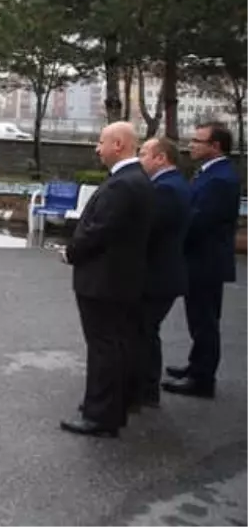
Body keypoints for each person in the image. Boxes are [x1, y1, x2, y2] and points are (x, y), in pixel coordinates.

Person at [60, 121, 153, 439]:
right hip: (119, 280)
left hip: (105, 281)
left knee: (104, 349)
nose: (96, 149)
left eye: (101, 142)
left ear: (118, 145)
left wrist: (70, 253)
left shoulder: (123, 184)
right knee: (117, 345)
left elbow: (99, 230)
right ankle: (112, 405)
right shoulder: (135, 179)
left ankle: (100, 416)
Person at [164, 121, 242, 399]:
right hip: (200, 259)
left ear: (215, 146)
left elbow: (200, 221)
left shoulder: (220, 179)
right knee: (199, 319)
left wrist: (171, 236)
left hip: (205, 261)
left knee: (205, 321)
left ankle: (202, 379)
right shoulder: (209, 173)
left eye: (198, 141)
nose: (191, 145)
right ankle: (196, 367)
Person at [134, 137, 190, 408]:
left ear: (161, 158)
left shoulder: (166, 189)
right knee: (145, 331)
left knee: (144, 331)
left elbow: (150, 230)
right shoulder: (170, 185)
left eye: (143, 154)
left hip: (157, 276)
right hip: (161, 274)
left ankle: (145, 389)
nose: (139, 159)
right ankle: (144, 387)